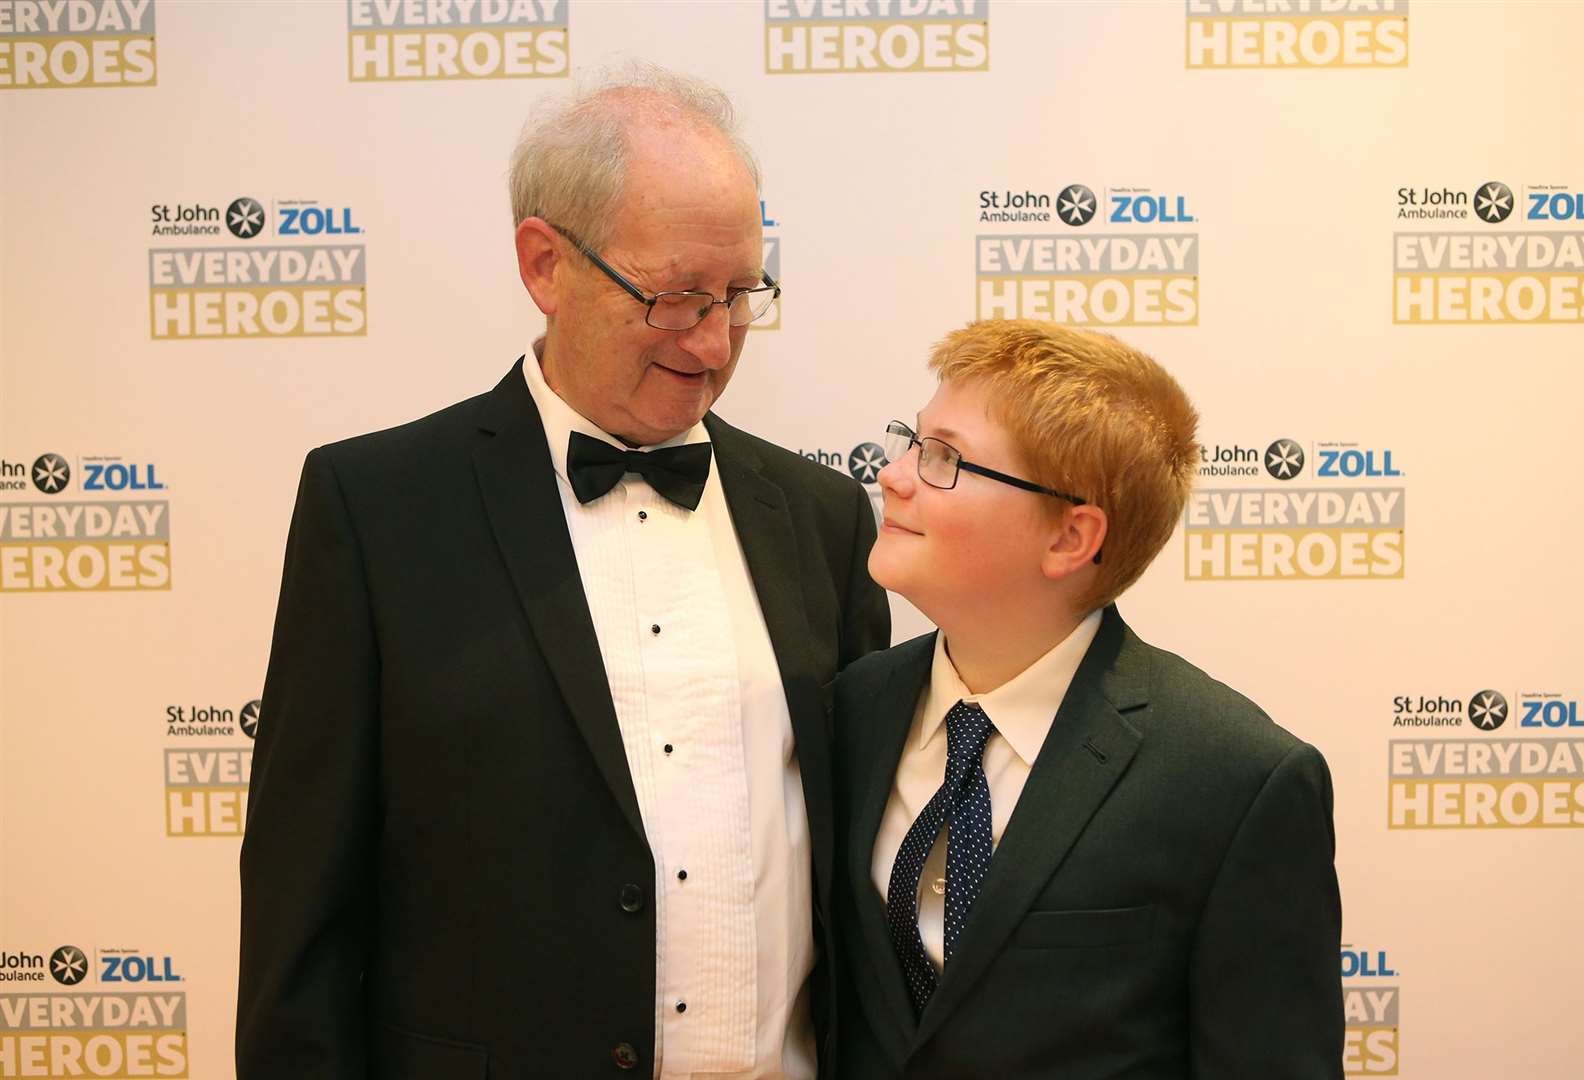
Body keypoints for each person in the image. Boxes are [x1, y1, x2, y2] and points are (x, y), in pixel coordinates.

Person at [237, 65, 889, 1079]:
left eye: (739, 296)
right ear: (546, 265)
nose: (714, 344)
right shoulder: (376, 509)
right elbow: (301, 915)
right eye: (675, 299)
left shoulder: (824, 519)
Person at [833, 319, 1342, 1079]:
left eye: (946, 458)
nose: (895, 474)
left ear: (1071, 538)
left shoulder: (1235, 777)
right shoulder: (851, 710)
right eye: (912, 438)